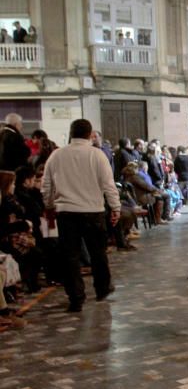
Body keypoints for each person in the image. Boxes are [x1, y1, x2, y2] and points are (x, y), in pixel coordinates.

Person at [40, 118, 120, 312]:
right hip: (93, 211)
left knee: (70, 257)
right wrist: (115, 207)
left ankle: (76, 297)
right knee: (98, 254)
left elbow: (46, 185)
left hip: (66, 212)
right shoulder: (97, 155)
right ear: (89, 134)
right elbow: (108, 184)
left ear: (71, 132)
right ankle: (102, 288)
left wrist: (49, 205)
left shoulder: (57, 155)